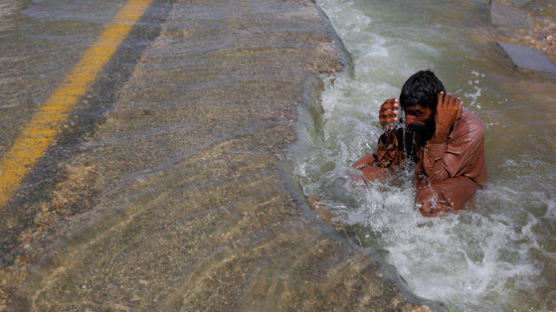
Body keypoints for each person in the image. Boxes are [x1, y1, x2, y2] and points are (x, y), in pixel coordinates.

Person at [353, 70, 487, 217]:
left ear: (436, 109)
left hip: (460, 181)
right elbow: (388, 162)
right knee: (357, 172)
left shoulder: (470, 129)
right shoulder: (412, 118)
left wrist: (440, 133)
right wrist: (388, 131)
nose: (409, 120)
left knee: (427, 201)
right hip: (421, 168)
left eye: (417, 113)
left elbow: (432, 181)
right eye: (406, 112)